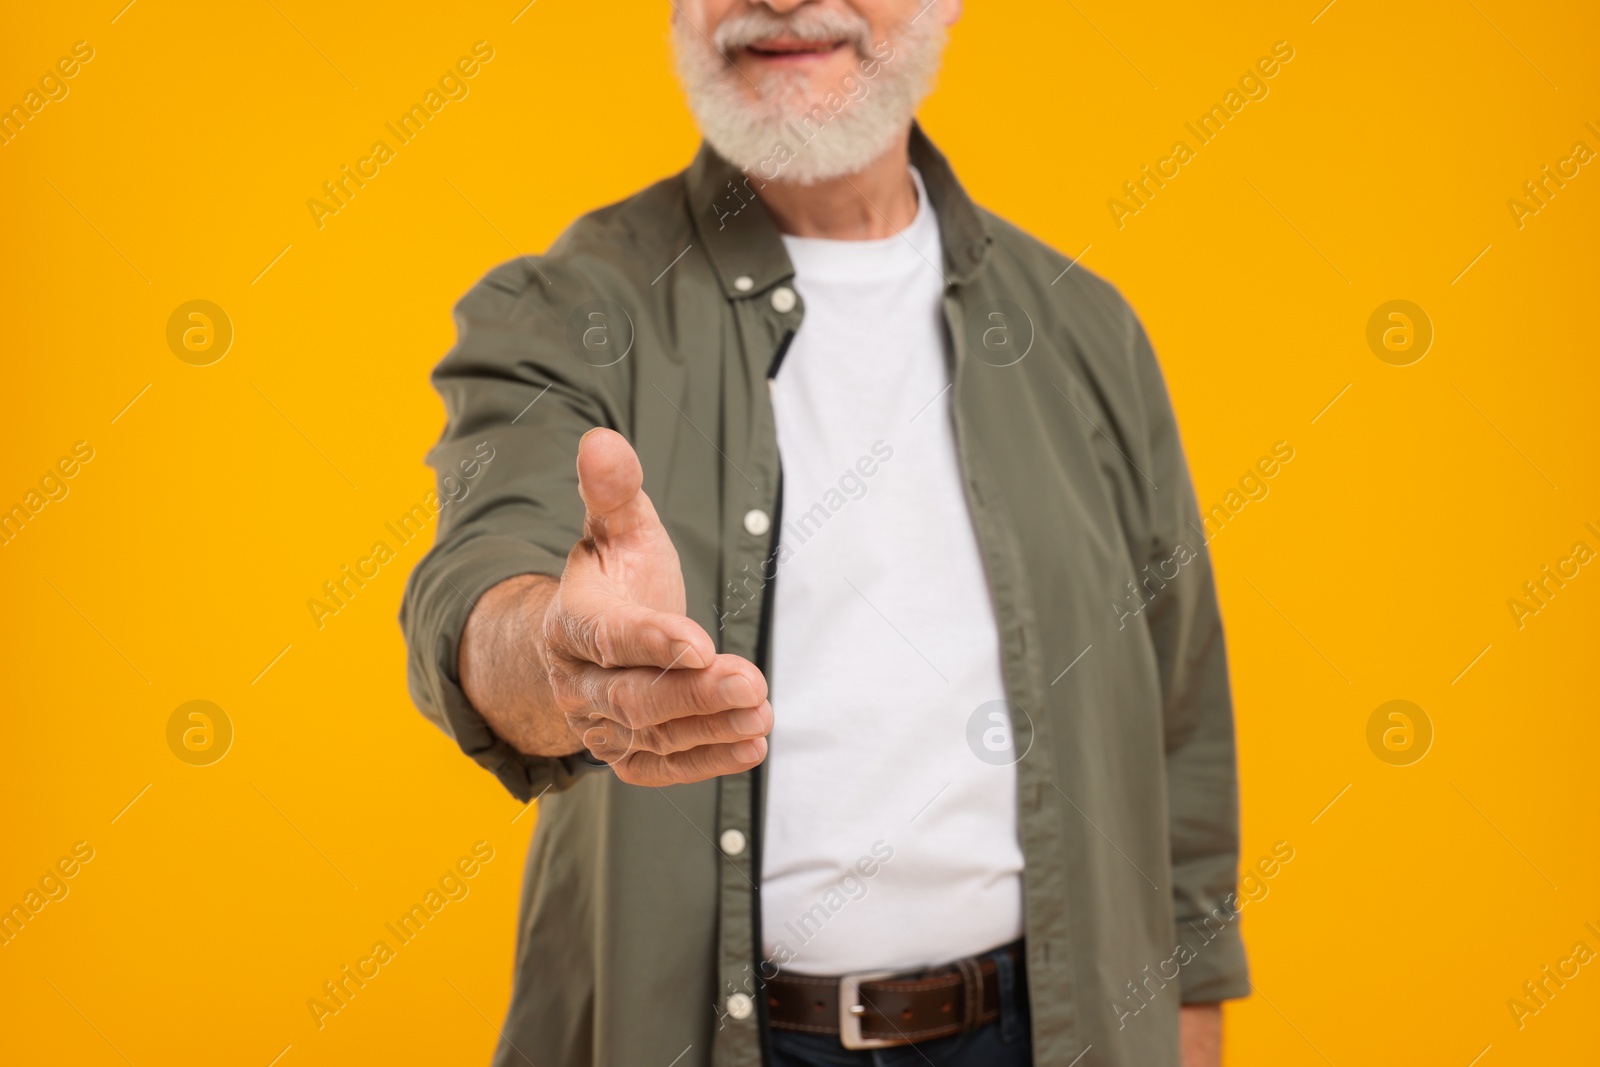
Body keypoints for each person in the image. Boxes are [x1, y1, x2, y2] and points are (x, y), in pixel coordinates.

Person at [399, 2, 1249, 1064]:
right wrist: (558, 657)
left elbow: (1181, 721)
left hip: (1053, 1029)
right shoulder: (564, 309)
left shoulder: (1085, 329)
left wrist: (1190, 1021)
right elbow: (481, 573)